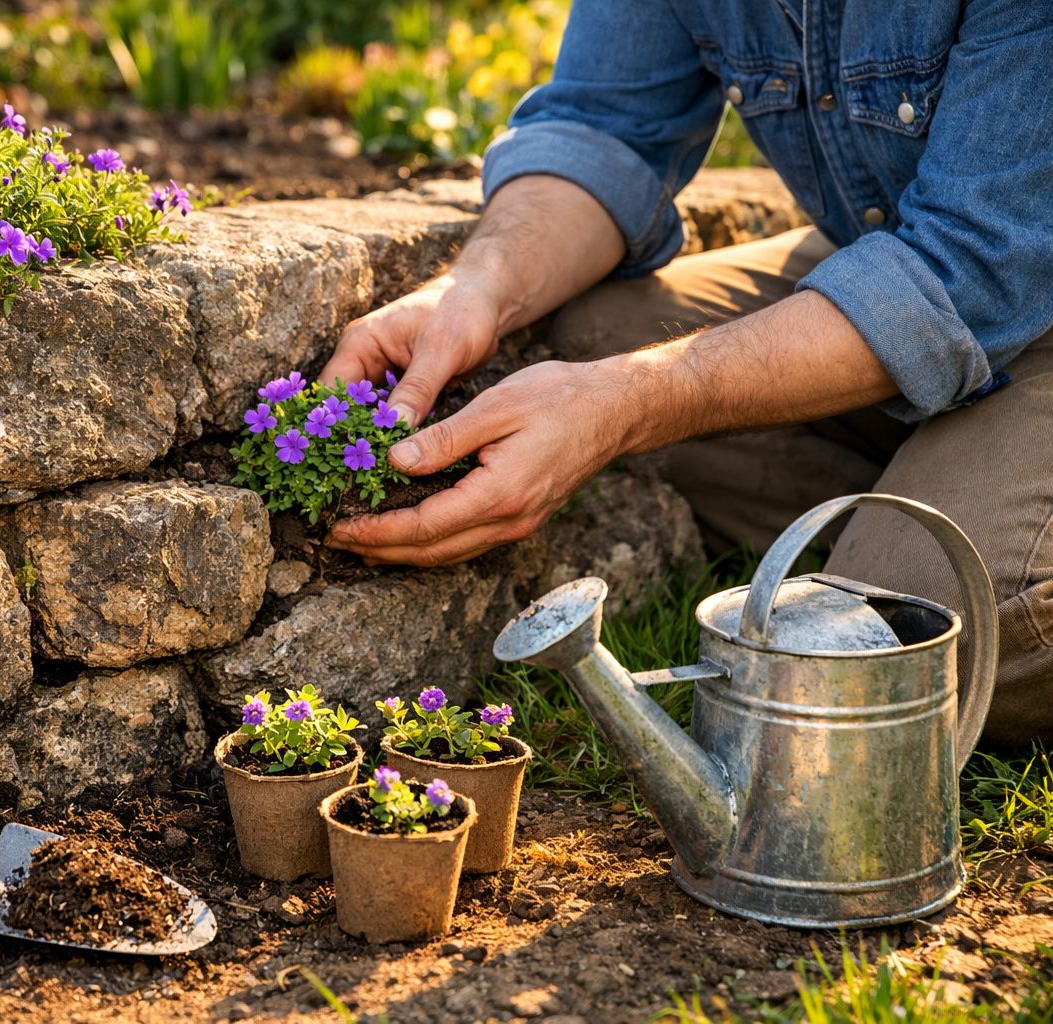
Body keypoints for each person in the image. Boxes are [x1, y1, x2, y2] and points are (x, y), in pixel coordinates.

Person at [317, 1, 1053, 746]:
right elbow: (604, 126)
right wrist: (473, 287)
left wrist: (631, 401)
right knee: (591, 339)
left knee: (926, 622)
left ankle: (960, 529)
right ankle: (936, 490)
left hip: (1015, 278)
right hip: (894, 253)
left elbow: (976, 262)